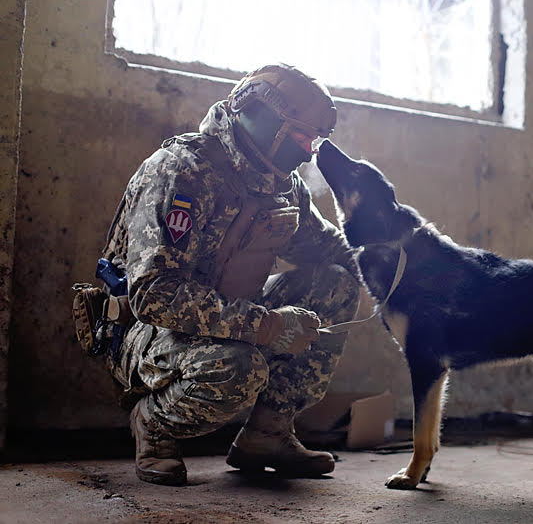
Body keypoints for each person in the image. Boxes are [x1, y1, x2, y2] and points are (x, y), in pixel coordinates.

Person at [98, 63, 361, 486]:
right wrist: (268, 325)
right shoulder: (183, 171)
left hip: (227, 318)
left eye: (313, 140)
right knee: (241, 368)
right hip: (145, 330)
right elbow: (153, 294)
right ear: (261, 117)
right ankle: (153, 425)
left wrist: (389, 271)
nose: (309, 150)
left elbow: (328, 248)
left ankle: (267, 433)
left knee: (335, 283)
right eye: (300, 136)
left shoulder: (282, 184)